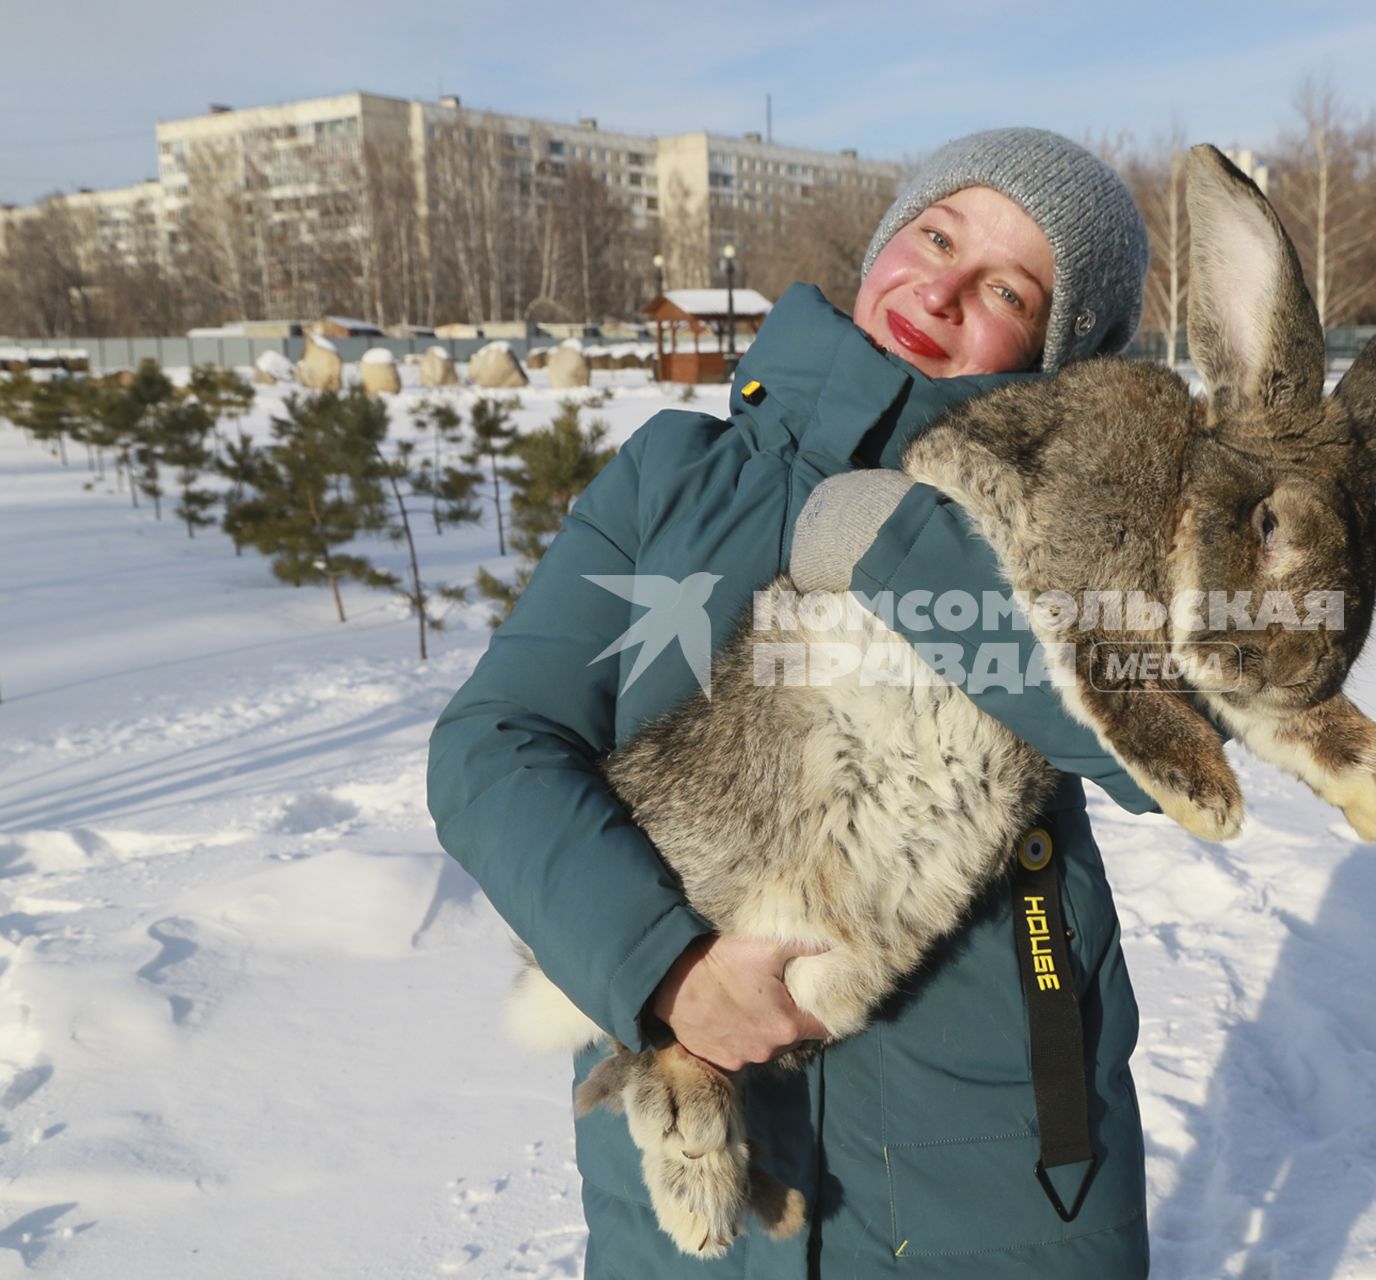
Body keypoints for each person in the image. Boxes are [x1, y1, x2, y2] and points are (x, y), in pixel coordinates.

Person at [426, 127, 1158, 1278]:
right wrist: (666, 973)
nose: (946, 287)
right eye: (937, 233)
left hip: (993, 1173)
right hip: (692, 1172)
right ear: (887, 237)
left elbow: (1167, 751)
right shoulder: (672, 476)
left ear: (1057, 352)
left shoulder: (1073, 532)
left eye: (1009, 287)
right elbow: (492, 747)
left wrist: (908, 545)